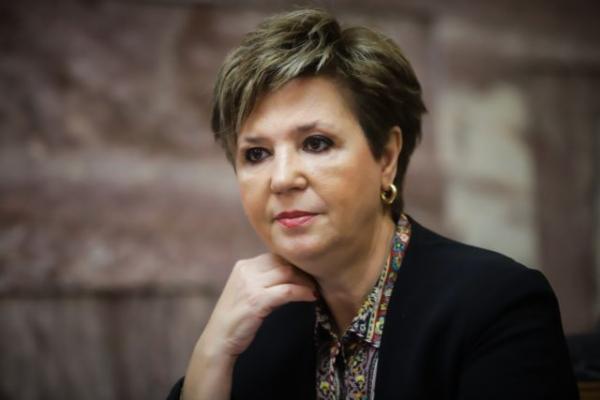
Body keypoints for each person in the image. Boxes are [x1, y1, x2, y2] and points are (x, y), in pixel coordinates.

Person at [167, 8, 578, 400]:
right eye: (256, 153)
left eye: (316, 143)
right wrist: (211, 353)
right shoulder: (255, 329)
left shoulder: (495, 305)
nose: (282, 179)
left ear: (386, 157)